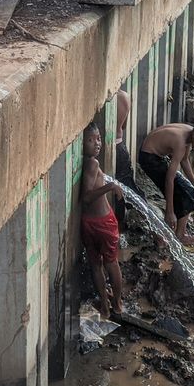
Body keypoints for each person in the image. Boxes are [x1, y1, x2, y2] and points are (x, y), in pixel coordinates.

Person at [138, 121, 194, 245]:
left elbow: (184, 160)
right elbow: (169, 179)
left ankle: (179, 232)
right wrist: (169, 211)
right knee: (182, 194)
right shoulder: (181, 142)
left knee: (190, 191)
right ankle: (179, 234)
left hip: (157, 156)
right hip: (149, 159)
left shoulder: (190, 132)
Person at [81, 122, 124, 318]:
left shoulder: (87, 162)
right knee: (112, 263)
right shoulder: (93, 163)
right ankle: (117, 303)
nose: (96, 143)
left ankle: (105, 307)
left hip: (87, 223)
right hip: (104, 223)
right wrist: (110, 186)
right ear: (82, 143)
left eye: (98, 139)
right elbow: (87, 196)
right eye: (90, 140)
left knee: (95, 264)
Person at [114, 90, 144, 223]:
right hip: (119, 147)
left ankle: (157, 233)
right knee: (126, 187)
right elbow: (124, 125)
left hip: (106, 149)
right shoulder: (125, 96)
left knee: (121, 191)